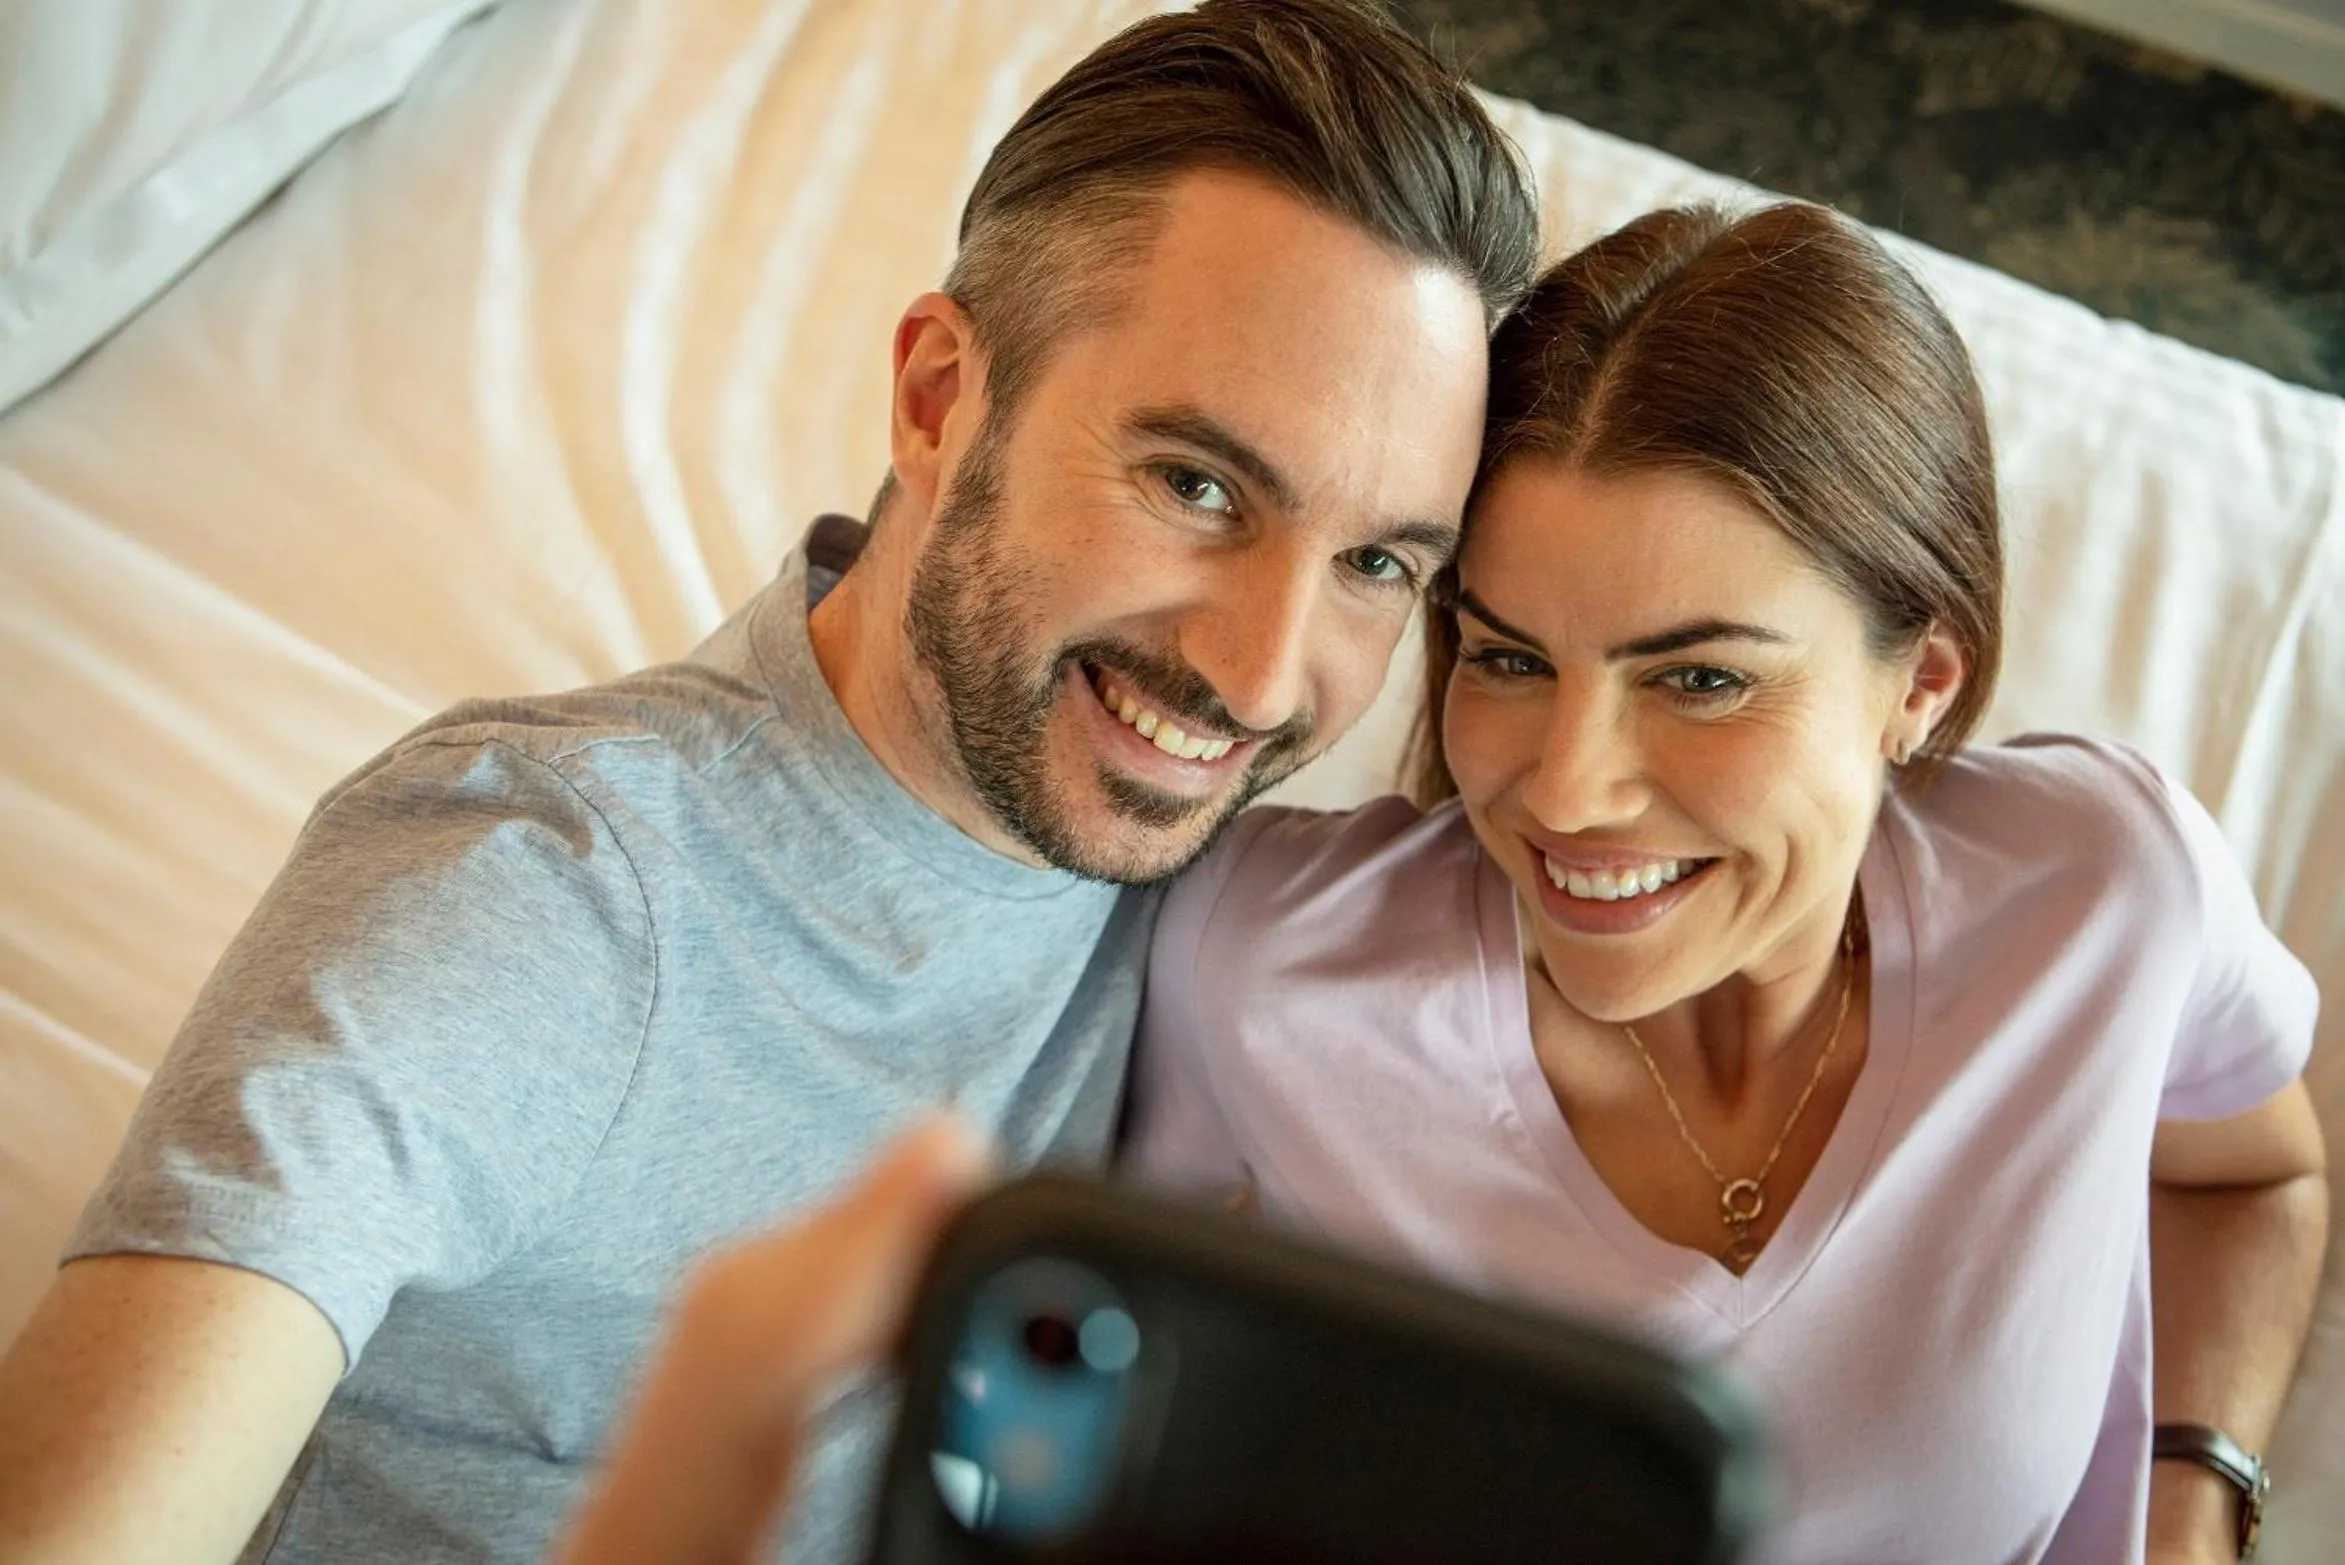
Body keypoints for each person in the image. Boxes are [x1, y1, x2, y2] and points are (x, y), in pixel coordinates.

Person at [0, 4, 1539, 1562]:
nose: (1267, 677)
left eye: (1371, 565)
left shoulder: (1245, 917)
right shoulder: (539, 894)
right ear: (940, 399)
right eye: (1195, 487)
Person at [1123, 202, 2329, 1564]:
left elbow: (2255, 1177)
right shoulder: (1263, 970)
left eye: (1700, 679)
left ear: (1920, 682)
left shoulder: (2104, 893)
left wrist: (2193, 1506)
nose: (1567, 789)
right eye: (1510, 657)